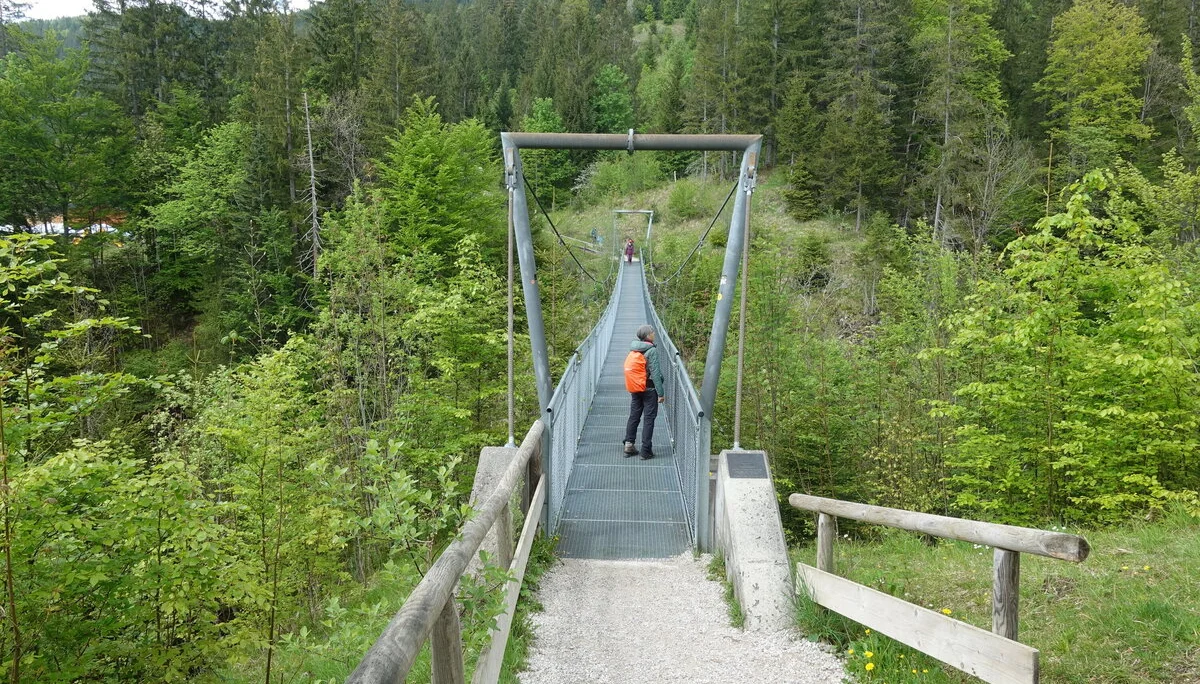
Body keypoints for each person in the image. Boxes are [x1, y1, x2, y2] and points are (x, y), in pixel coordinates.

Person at [624, 325, 665, 460]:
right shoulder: (651, 350)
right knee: (649, 419)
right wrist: (660, 393)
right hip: (649, 389)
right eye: (653, 332)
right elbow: (656, 373)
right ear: (648, 336)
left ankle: (629, 444)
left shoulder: (634, 348)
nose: (654, 334)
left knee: (634, 416)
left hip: (636, 386)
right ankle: (645, 450)